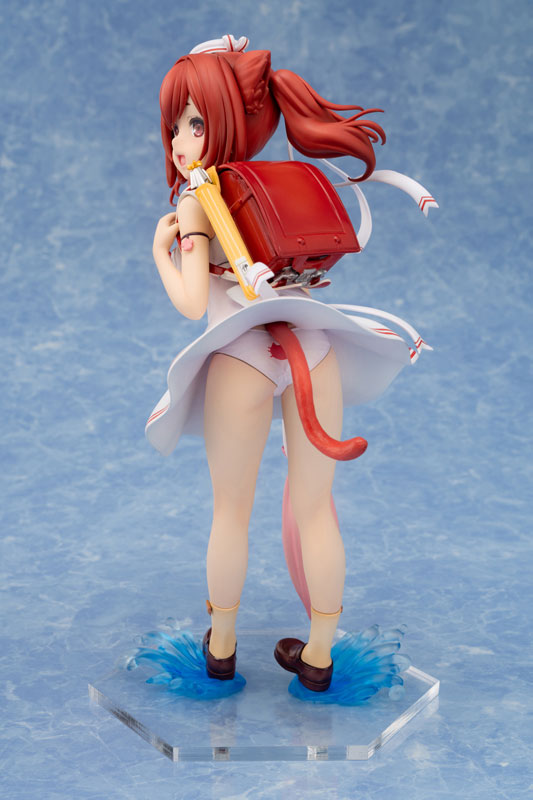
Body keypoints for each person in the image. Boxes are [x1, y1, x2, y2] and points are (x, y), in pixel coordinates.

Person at [147, 35, 431, 692]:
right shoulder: (274, 181)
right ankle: (319, 655)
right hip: (314, 345)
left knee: (230, 511)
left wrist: (162, 251)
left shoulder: (197, 198)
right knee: (316, 508)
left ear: (229, 123)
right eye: (175, 126)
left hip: (241, 357)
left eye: (194, 124)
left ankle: (221, 646)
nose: (180, 142)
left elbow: (193, 304)